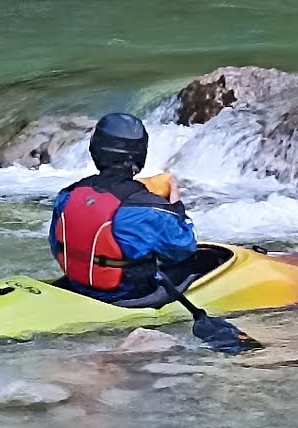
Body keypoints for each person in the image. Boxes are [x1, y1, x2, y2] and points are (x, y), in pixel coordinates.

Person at [48, 112, 199, 303]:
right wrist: (176, 205)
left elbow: (56, 245)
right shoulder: (148, 209)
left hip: (78, 284)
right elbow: (185, 246)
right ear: (140, 154)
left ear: (95, 150)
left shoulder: (67, 196)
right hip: (126, 295)